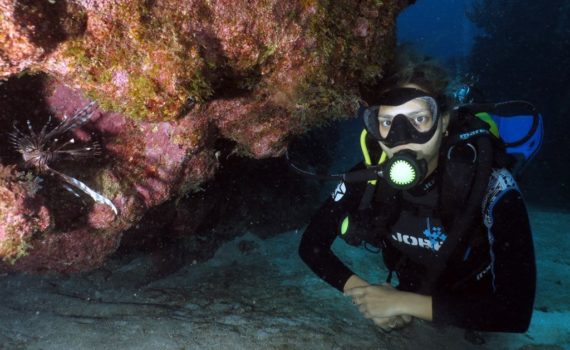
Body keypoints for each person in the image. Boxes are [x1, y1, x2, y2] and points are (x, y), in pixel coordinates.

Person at [298, 50, 536, 333]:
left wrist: (402, 304)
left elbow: (515, 313)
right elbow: (311, 246)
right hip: (410, 284)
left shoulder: (490, 183)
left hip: (472, 297)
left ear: (444, 121)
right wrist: (370, 297)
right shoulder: (371, 173)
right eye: (387, 123)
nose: (402, 138)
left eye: (419, 119)